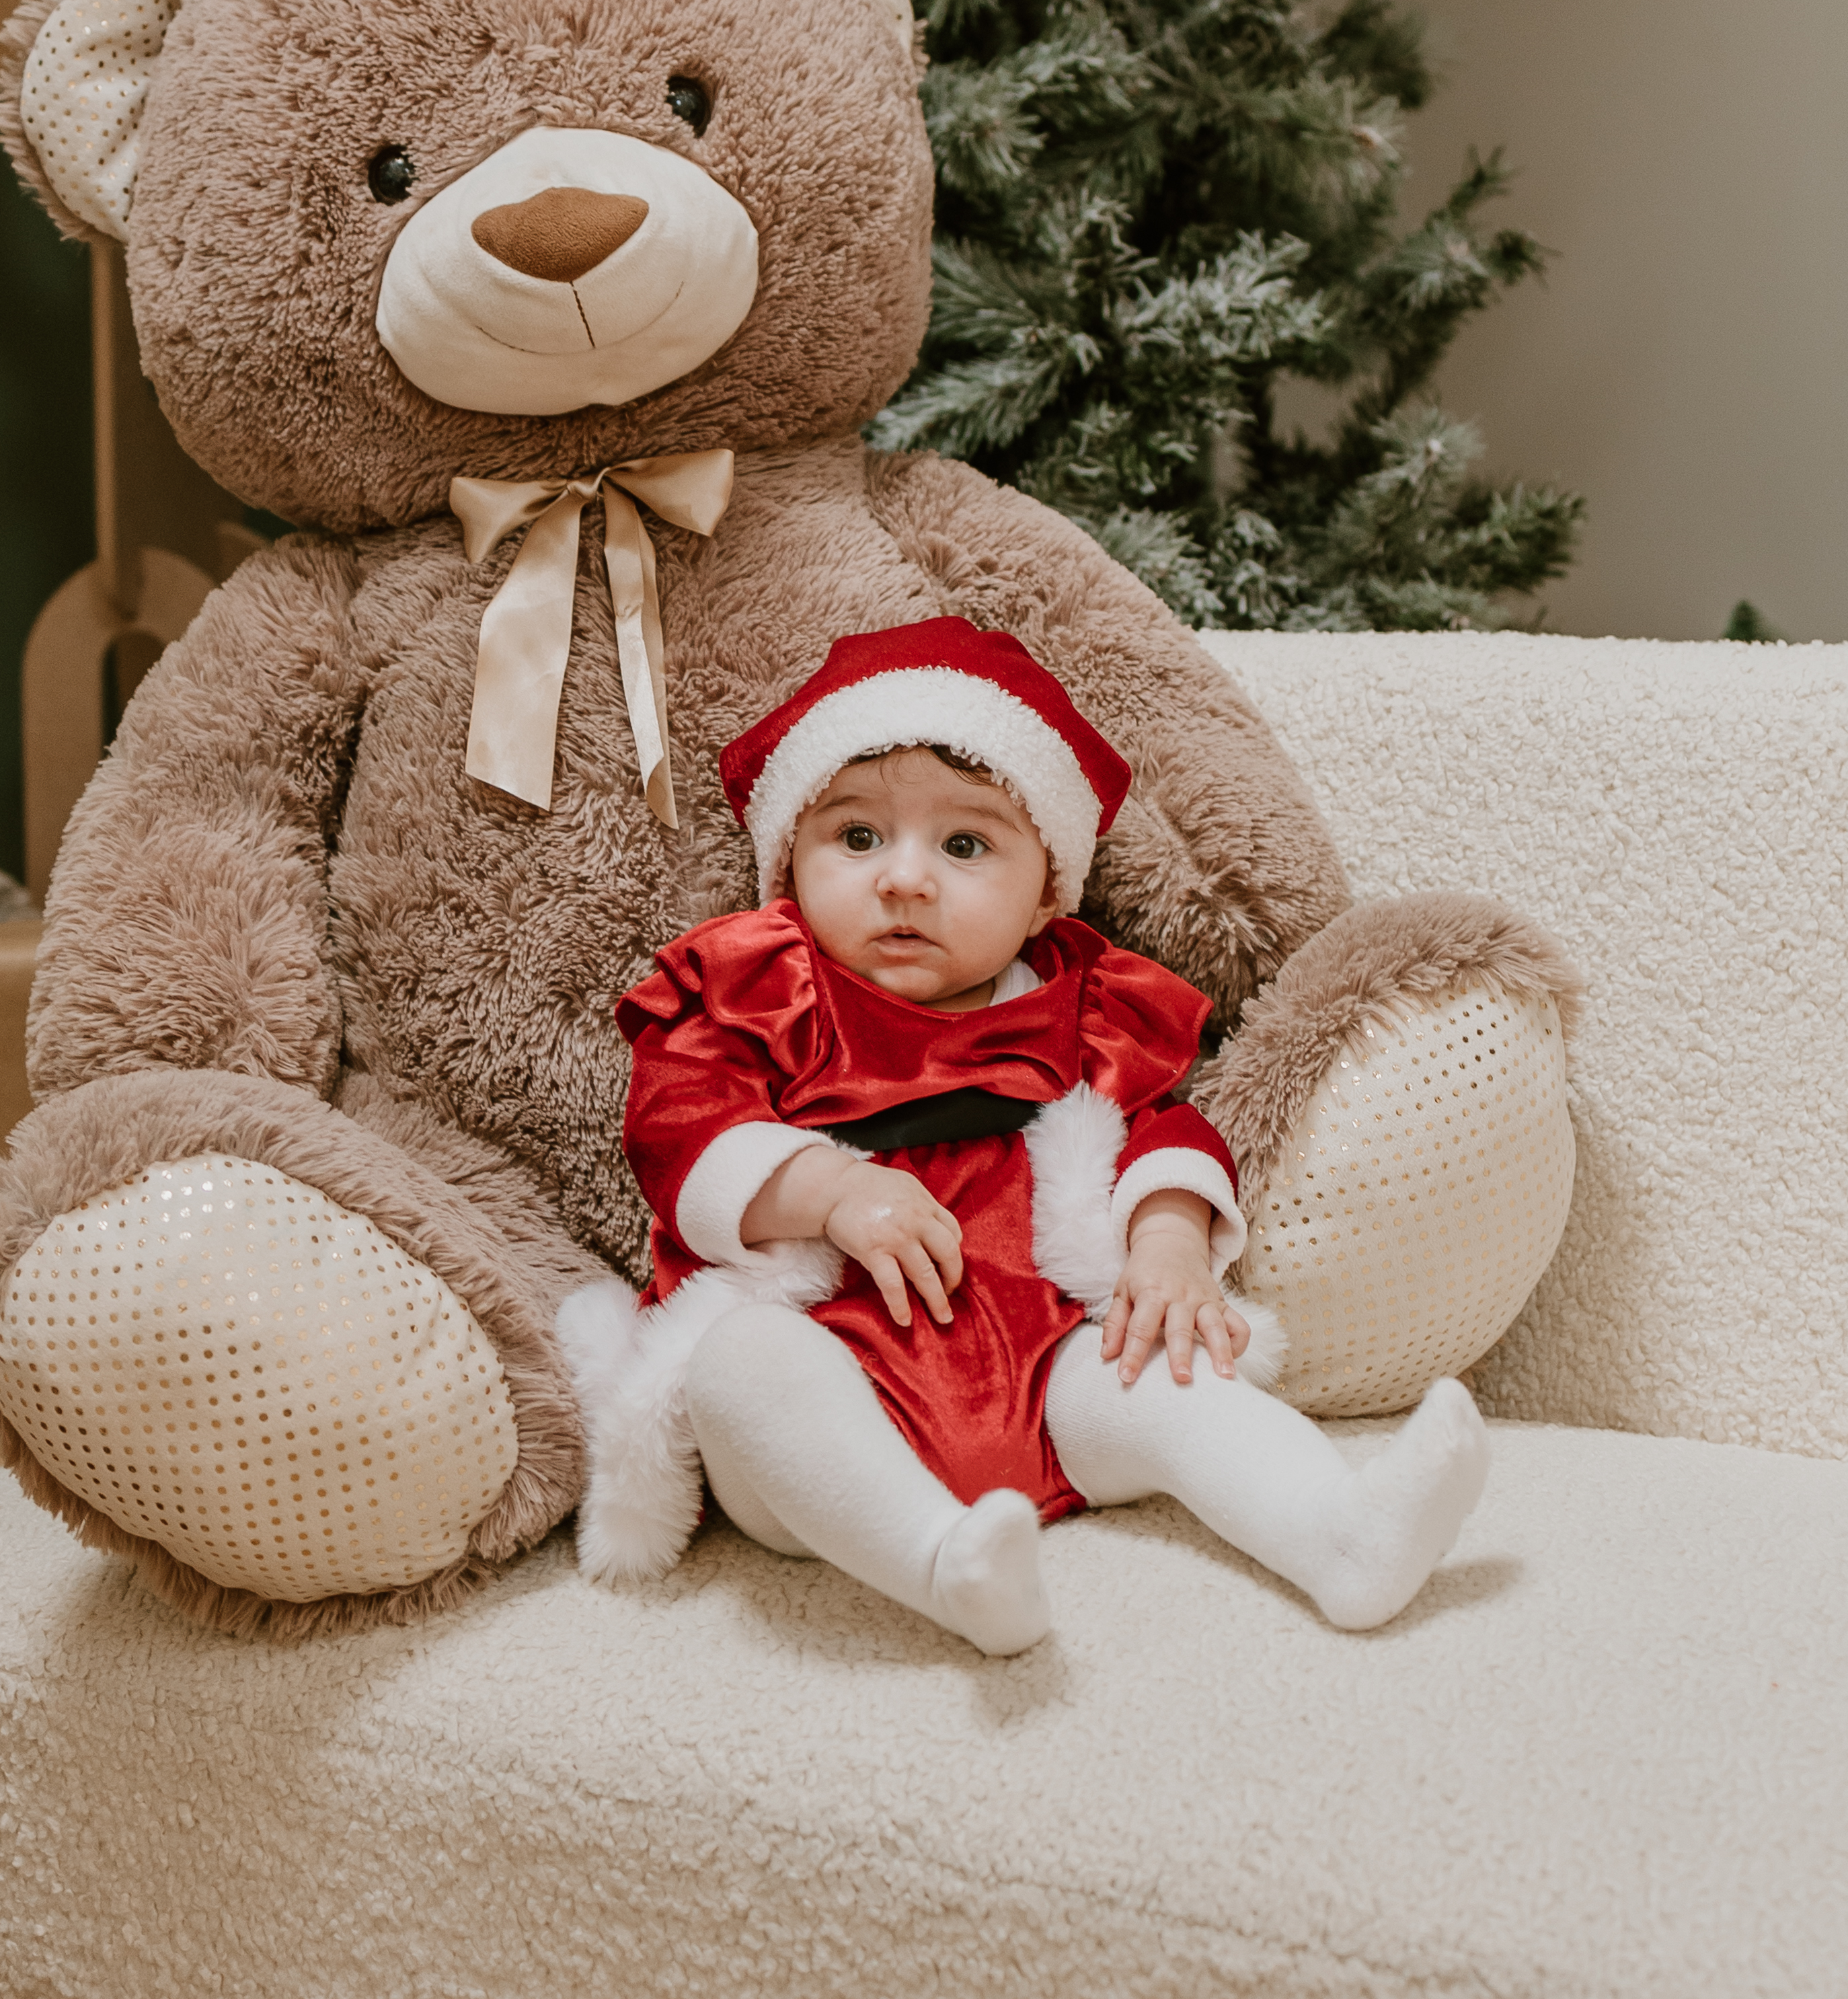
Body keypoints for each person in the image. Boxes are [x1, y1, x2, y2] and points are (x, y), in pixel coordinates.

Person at [601, 619, 1490, 1657]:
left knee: (1165, 1369)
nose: (904, 879)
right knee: (742, 1364)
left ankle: (1340, 1534)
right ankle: (945, 1564)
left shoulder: (1083, 1007)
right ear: (788, 860)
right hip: (826, 1420)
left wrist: (1164, 1245)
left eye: (964, 845)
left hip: (1039, 1379)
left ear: (1044, 899)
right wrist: (830, 1192)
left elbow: (1163, 1124)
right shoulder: (763, 989)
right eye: (855, 837)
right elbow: (679, 1127)